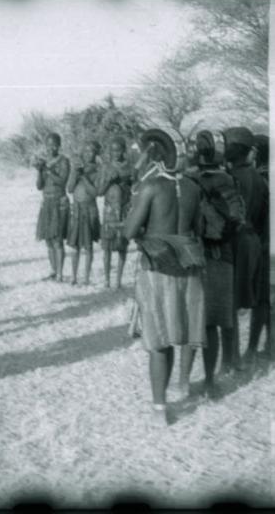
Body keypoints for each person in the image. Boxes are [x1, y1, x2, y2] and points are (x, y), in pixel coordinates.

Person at [123, 129, 206, 425]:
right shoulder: (194, 188)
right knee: (181, 333)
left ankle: (160, 409)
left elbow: (129, 232)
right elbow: (196, 228)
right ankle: (182, 384)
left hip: (158, 270)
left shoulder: (151, 187)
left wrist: (147, 229)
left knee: (159, 342)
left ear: (151, 155)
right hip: (189, 268)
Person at [178, 130, 239, 398]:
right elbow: (238, 219)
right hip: (222, 256)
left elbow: (181, 225)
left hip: (195, 258)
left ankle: (182, 381)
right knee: (212, 323)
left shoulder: (187, 181)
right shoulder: (228, 179)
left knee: (192, 322)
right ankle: (210, 382)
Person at [223, 127, 269, 372]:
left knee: (229, 301)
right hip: (253, 240)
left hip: (234, 241)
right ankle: (251, 351)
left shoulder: (231, 178)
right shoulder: (258, 179)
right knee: (255, 298)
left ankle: (232, 359)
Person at [244, 133, 271, 362]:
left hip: (263, 244)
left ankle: (253, 347)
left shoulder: (257, 179)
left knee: (262, 299)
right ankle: (270, 344)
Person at [34, 132, 71, 282]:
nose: (51, 148)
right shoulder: (44, 163)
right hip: (46, 202)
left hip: (59, 202)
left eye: (54, 144)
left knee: (57, 240)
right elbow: (39, 186)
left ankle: (60, 274)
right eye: (48, 145)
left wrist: (48, 170)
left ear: (59, 146)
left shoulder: (64, 161)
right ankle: (53, 271)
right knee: (48, 240)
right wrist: (39, 171)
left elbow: (63, 182)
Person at [98, 136, 134, 289]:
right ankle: (106, 279)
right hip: (109, 210)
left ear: (124, 151)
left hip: (124, 209)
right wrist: (109, 181)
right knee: (107, 247)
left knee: (122, 246)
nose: (116, 153)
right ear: (109, 151)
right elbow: (99, 192)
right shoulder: (106, 167)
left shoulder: (129, 167)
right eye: (113, 150)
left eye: (119, 150)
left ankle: (118, 279)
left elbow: (134, 187)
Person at [67, 140, 101, 285]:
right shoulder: (77, 167)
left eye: (91, 151)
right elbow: (69, 189)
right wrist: (75, 172)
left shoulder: (99, 169)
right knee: (74, 245)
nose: (88, 154)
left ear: (96, 153)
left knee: (88, 246)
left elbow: (95, 192)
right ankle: (74, 277)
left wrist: (84, 178)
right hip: (77, 209)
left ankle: (86, 277)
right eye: (86, 151)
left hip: (90, 209)